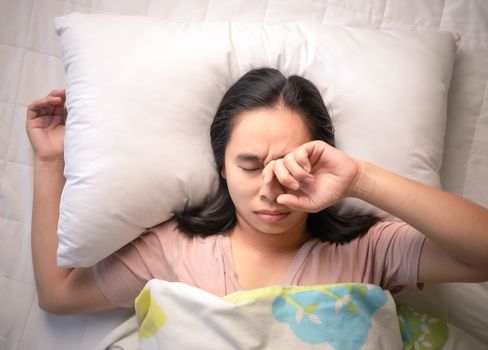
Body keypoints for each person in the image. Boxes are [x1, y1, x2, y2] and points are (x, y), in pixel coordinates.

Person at [27, 68, 488, 315]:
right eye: (249, 165)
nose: (273, 187)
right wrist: (51, 163)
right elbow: (58, 295)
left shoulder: (370, 249)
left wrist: (361, 178)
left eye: (294, 165)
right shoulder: (174, 249)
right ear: (222, 169)